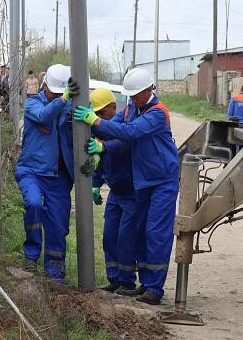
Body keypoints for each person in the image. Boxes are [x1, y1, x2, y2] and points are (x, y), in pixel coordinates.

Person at [74, 68, 179, 305]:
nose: (131, 99)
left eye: (135, 95)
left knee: (155, 233)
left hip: (162, 181)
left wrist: (96, 121)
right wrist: (94, 130)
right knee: (141, 233)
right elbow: (115, 130)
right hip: (143, 181)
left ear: (148, 90)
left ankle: (153, 288)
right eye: (129, 96)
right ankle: (144, 284)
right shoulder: (133, 108)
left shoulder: (157, 113)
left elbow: (130, 132)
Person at [15, 64, 79, 282]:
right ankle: (30, 257)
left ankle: (54, 274)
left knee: (58, 224)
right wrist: (63, 101)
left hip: (59, 178)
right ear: (44, 86)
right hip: (32, 171)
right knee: (33, 204)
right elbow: (43, 116)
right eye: (55, 92)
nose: (58, 96)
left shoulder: (69, 107)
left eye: (62, 94)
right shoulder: (34, 103)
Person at [85, 88, 138, 294]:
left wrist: (103, 147)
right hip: (115, 192)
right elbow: (100, 160)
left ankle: (127, 282)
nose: (98, 118)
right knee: (109, 236)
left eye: (101, 113)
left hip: (130, 192)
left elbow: (120, 145)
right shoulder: (101, 129)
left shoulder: (123, 124)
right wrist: (96, 183)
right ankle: (114, 278)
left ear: (113, 108)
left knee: (125, 237)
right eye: (95, 114)